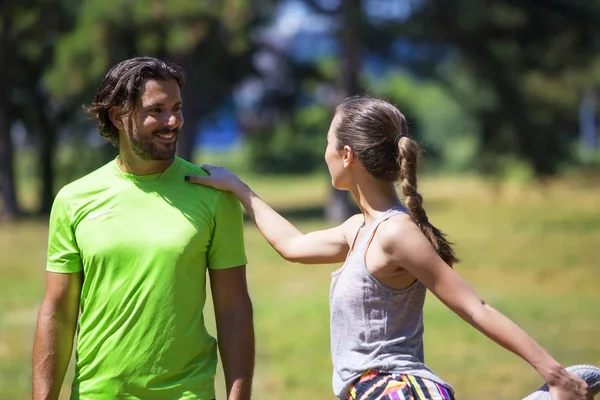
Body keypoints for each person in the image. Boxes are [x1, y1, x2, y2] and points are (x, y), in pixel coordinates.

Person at [184, 95, 592, 400]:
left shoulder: (396, 233)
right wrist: (238, 188)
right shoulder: (360, 229)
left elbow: (474, 307)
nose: (323, 151)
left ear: (347, 156)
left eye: (328, 142)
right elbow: (292, 245)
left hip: (395, 389)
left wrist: (553, 373)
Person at [32, 57, 255, 400]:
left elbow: (233, 309)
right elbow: (58, 311)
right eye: (157, 110)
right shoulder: (73, 200)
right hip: (98, 393)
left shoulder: (212, 195)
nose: (173, 121)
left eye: (177, 108)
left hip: (187, 392)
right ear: (117, 116)